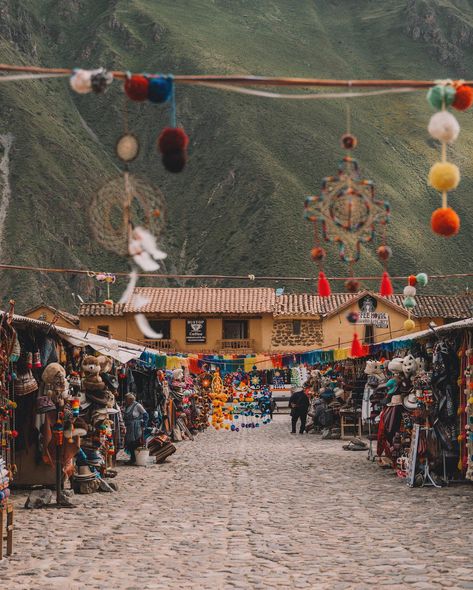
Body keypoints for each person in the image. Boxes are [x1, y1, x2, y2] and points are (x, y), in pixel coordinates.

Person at [123, 393, 149, 465]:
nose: (125, 401)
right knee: (129, 442)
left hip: (135, 427)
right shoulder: (127, 406)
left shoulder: (137, 405)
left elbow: (145, 415)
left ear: (130, 399)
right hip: (129, 426)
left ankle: (135, 458)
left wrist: (144, 424)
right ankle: (132, 458)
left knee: (135, 442)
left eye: (126, 399)